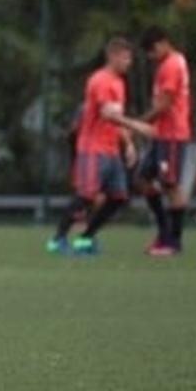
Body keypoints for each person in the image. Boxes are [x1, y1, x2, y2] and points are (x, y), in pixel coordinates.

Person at [48, 37, 156, 255]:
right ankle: (57, 240)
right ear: (112, 56)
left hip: (111, 150)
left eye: (130, 58)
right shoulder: (100, 80)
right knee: (86, 195)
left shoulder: (118, 82)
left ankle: (85, 239)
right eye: (125, 58)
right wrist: (137, 126)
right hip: (92, 149)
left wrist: (128, 144)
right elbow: (108, 114)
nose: (129, 62)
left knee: (118, 197)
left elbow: (117, 117)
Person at [136, 27, 191, 255]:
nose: (150, 57)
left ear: (162, 43)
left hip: (172, 135)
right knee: (142, 179)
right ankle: (164, 232)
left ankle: (173, 242)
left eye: (151, 51)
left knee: (171, 185)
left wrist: (138, 123)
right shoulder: (169, 63)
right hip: (161, 134)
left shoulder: (171, 65)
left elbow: (164, 105)